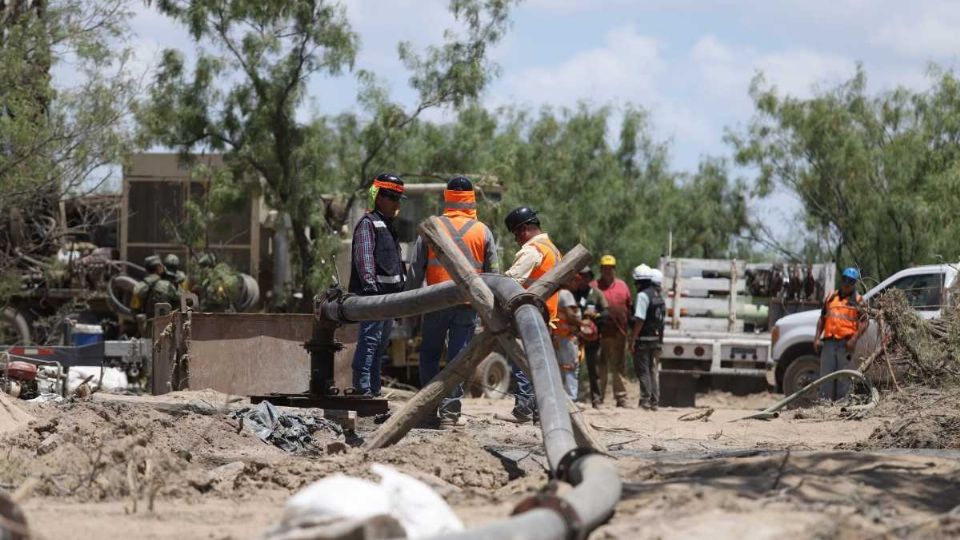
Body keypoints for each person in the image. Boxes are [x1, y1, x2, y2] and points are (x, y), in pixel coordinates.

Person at [409, 176, 499, 426]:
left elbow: (416, 270)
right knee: (458, 358)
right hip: (468, 307)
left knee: (428, 355)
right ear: (471, 198)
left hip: (435, 303)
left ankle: (426, 411)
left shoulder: (432, 227)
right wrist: (490, 310)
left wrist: (408, 306)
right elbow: (494, 276)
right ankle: (450, 413)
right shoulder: (483, 232)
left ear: (447, 197)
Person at [348, 173, 407, 397]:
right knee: (370, 342)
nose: (397, 204)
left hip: (389, 299)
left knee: (380, 346)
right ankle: (362, 388)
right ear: (379, 198)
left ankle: (373, 390)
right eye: (393, 198)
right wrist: (371, 291)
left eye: (399, 198)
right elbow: (364, 259)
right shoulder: (368, 223)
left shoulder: (388, 226)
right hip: (374, 298)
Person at [504, 206, 562, 421]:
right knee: (540, 365)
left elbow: (510, 280)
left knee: (522, 361)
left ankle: (524, 409)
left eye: (517, 233)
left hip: (529, 314)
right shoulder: (552, 249)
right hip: (547, 314)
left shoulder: (533, 249)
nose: (517, 239)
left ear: (526, 228)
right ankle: (539, 411)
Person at [813, 267, 866, 401]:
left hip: (846, 345)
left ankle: (842, 407)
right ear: (841, 280)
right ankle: (824, 407)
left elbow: (865, 322)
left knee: (844, 379)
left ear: (854, 283)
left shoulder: (859, 301)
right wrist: (816, 338)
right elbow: (822, 318)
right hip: (829, 343)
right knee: (825, 377)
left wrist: (854, 339)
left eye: (850, 281)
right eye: (844, 280)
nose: (847, 283)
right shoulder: (831, 297)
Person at [592, 255, 633, 407]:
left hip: (619, 333)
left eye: (610, 268)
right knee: (600, 365)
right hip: (599, 334)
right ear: (601, 269)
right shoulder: (594, 286)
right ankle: (598, 398)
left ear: (614, 269)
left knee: (619, 365)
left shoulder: (623, 286)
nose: (608, 271)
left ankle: (621, 398)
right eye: (605, 268)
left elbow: (629, 307)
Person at [629, 266, 666, 410]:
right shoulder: (658, 296)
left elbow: (639, 319)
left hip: (643, 339)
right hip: (656, 339)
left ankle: (645, 400)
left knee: (643, 370)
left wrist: (633, 339)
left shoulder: (643, 296)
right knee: (652, 370)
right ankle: (654, 402)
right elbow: (662, 321)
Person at [572, 266, 608, 407]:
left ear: (590, 278)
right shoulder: (573, 293)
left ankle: (596, 399)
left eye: (586, 276)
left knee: (594, 370)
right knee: (574, 367)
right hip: (576, 337)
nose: (583, 279)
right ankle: (573, 398)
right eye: (581, 276)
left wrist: (596, 316)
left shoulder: (597, 294)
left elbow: (606, 312)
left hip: (593, 338)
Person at [555, 278, 582, 400]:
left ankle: (561, 398)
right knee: (571, 368)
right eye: (575, 280)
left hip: (557, 336)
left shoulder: (556, 294)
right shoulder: (566, 294)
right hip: (568, 337)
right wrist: (584, 324)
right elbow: (571, 316)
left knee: (561, 368)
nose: (577, 282)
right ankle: (571, 398)